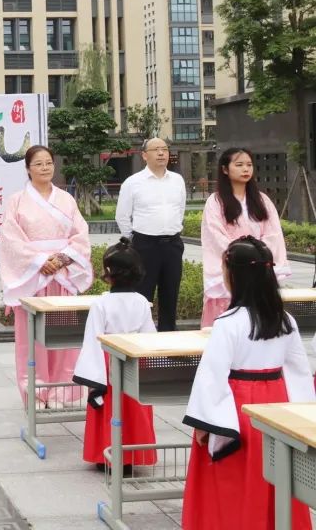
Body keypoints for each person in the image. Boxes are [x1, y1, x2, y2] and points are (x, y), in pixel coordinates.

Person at [181, 236, 314, 530]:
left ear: (235, 276)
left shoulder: (228, 323)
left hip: (238, 409)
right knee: (278, 477)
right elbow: (299, 373)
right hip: (277, 405)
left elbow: (212, 376)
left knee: (233, 483)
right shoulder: (285, 321)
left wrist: (204, 424)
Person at [0, 145, 92, 407]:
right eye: (38, 164)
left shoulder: (66, 199)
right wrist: (40, 261)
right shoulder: (17, 201)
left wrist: (61, 259)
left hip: (62, 275)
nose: (45, 168)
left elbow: (80, 235)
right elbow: (11, 240)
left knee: (64, 337)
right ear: (28, 169)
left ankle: (62, 392)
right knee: (31, 340)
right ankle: (36, 392)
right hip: (32, 279)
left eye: (49, 163)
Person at [72, 238, 157, 469]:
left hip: (107, 361)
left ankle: (106, 456)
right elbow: (150, 337)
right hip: (134, 360)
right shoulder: (142, 302)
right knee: (134, 409)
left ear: (108, 274)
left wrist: (94, 380)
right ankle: (132, 456)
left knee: (110, 409)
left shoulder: (101, 304)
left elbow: (92, 341)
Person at [200, 147, 291, 327]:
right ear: (225, 169)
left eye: (249, 165)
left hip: (258, 268)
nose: (245, 169)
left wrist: (258, 257)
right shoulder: (215, 202)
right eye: (239, 164)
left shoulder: (262, 200)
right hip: (231, 268)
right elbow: (215, 236)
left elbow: (273, 234)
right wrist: (241, 255)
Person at [115, 138, 186, 331]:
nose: (161, 153)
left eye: (164, 149)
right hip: (145, 245)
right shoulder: (133, 182)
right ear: (144, 155)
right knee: (142, 295)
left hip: (173, 245)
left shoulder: (177, 180)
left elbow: (180, 209)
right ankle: (139, 336)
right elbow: (122, 216)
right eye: (156, 150)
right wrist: (132, 240)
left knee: (170, 293)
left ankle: (167, 336)